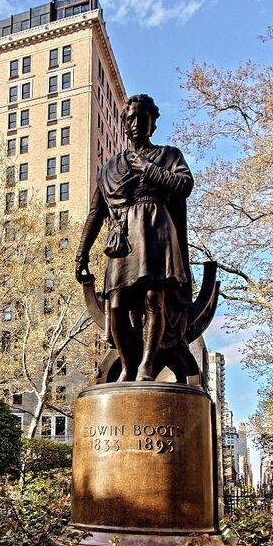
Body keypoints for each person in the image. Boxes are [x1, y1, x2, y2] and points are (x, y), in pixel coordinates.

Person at [75, 94, 194, 382]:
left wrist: (149, 170)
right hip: (123, 239)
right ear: (124, 126)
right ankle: (128, 365)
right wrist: (82, 253)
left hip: (156, 232)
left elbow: (184, 185)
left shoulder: (169, 155)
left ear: (153, 123)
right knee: (115, 306)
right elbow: (96, 213)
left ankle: (147, 367)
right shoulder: (108, 169)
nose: (137, 123)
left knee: (155, 299)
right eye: (131, 118)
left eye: (143, 117)